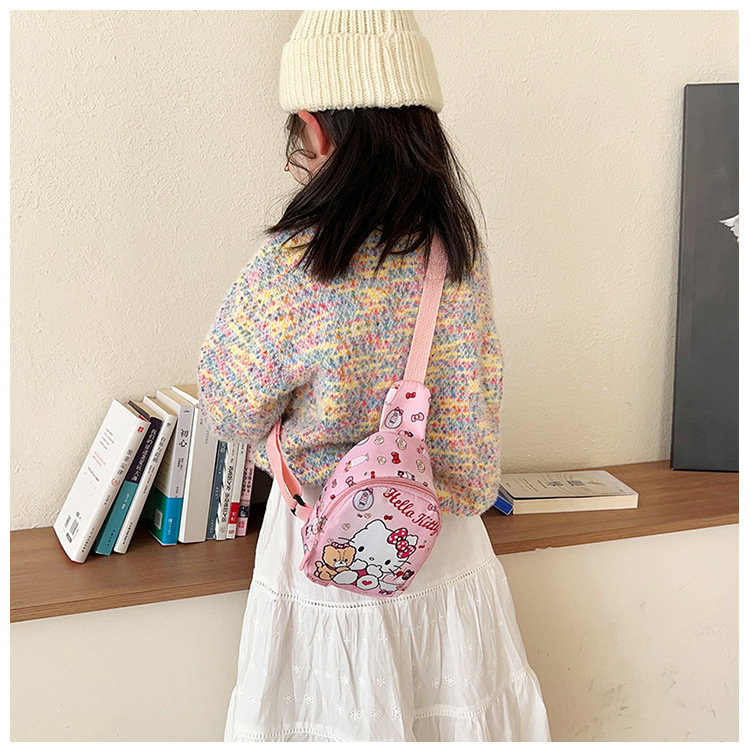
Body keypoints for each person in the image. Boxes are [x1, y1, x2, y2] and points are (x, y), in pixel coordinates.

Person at [198, 10, 551, 743]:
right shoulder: (458, 254)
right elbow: (478, 405)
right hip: (448, 558)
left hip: (325, 561)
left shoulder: (293, 266)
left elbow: (229, 409)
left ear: (315, 129)